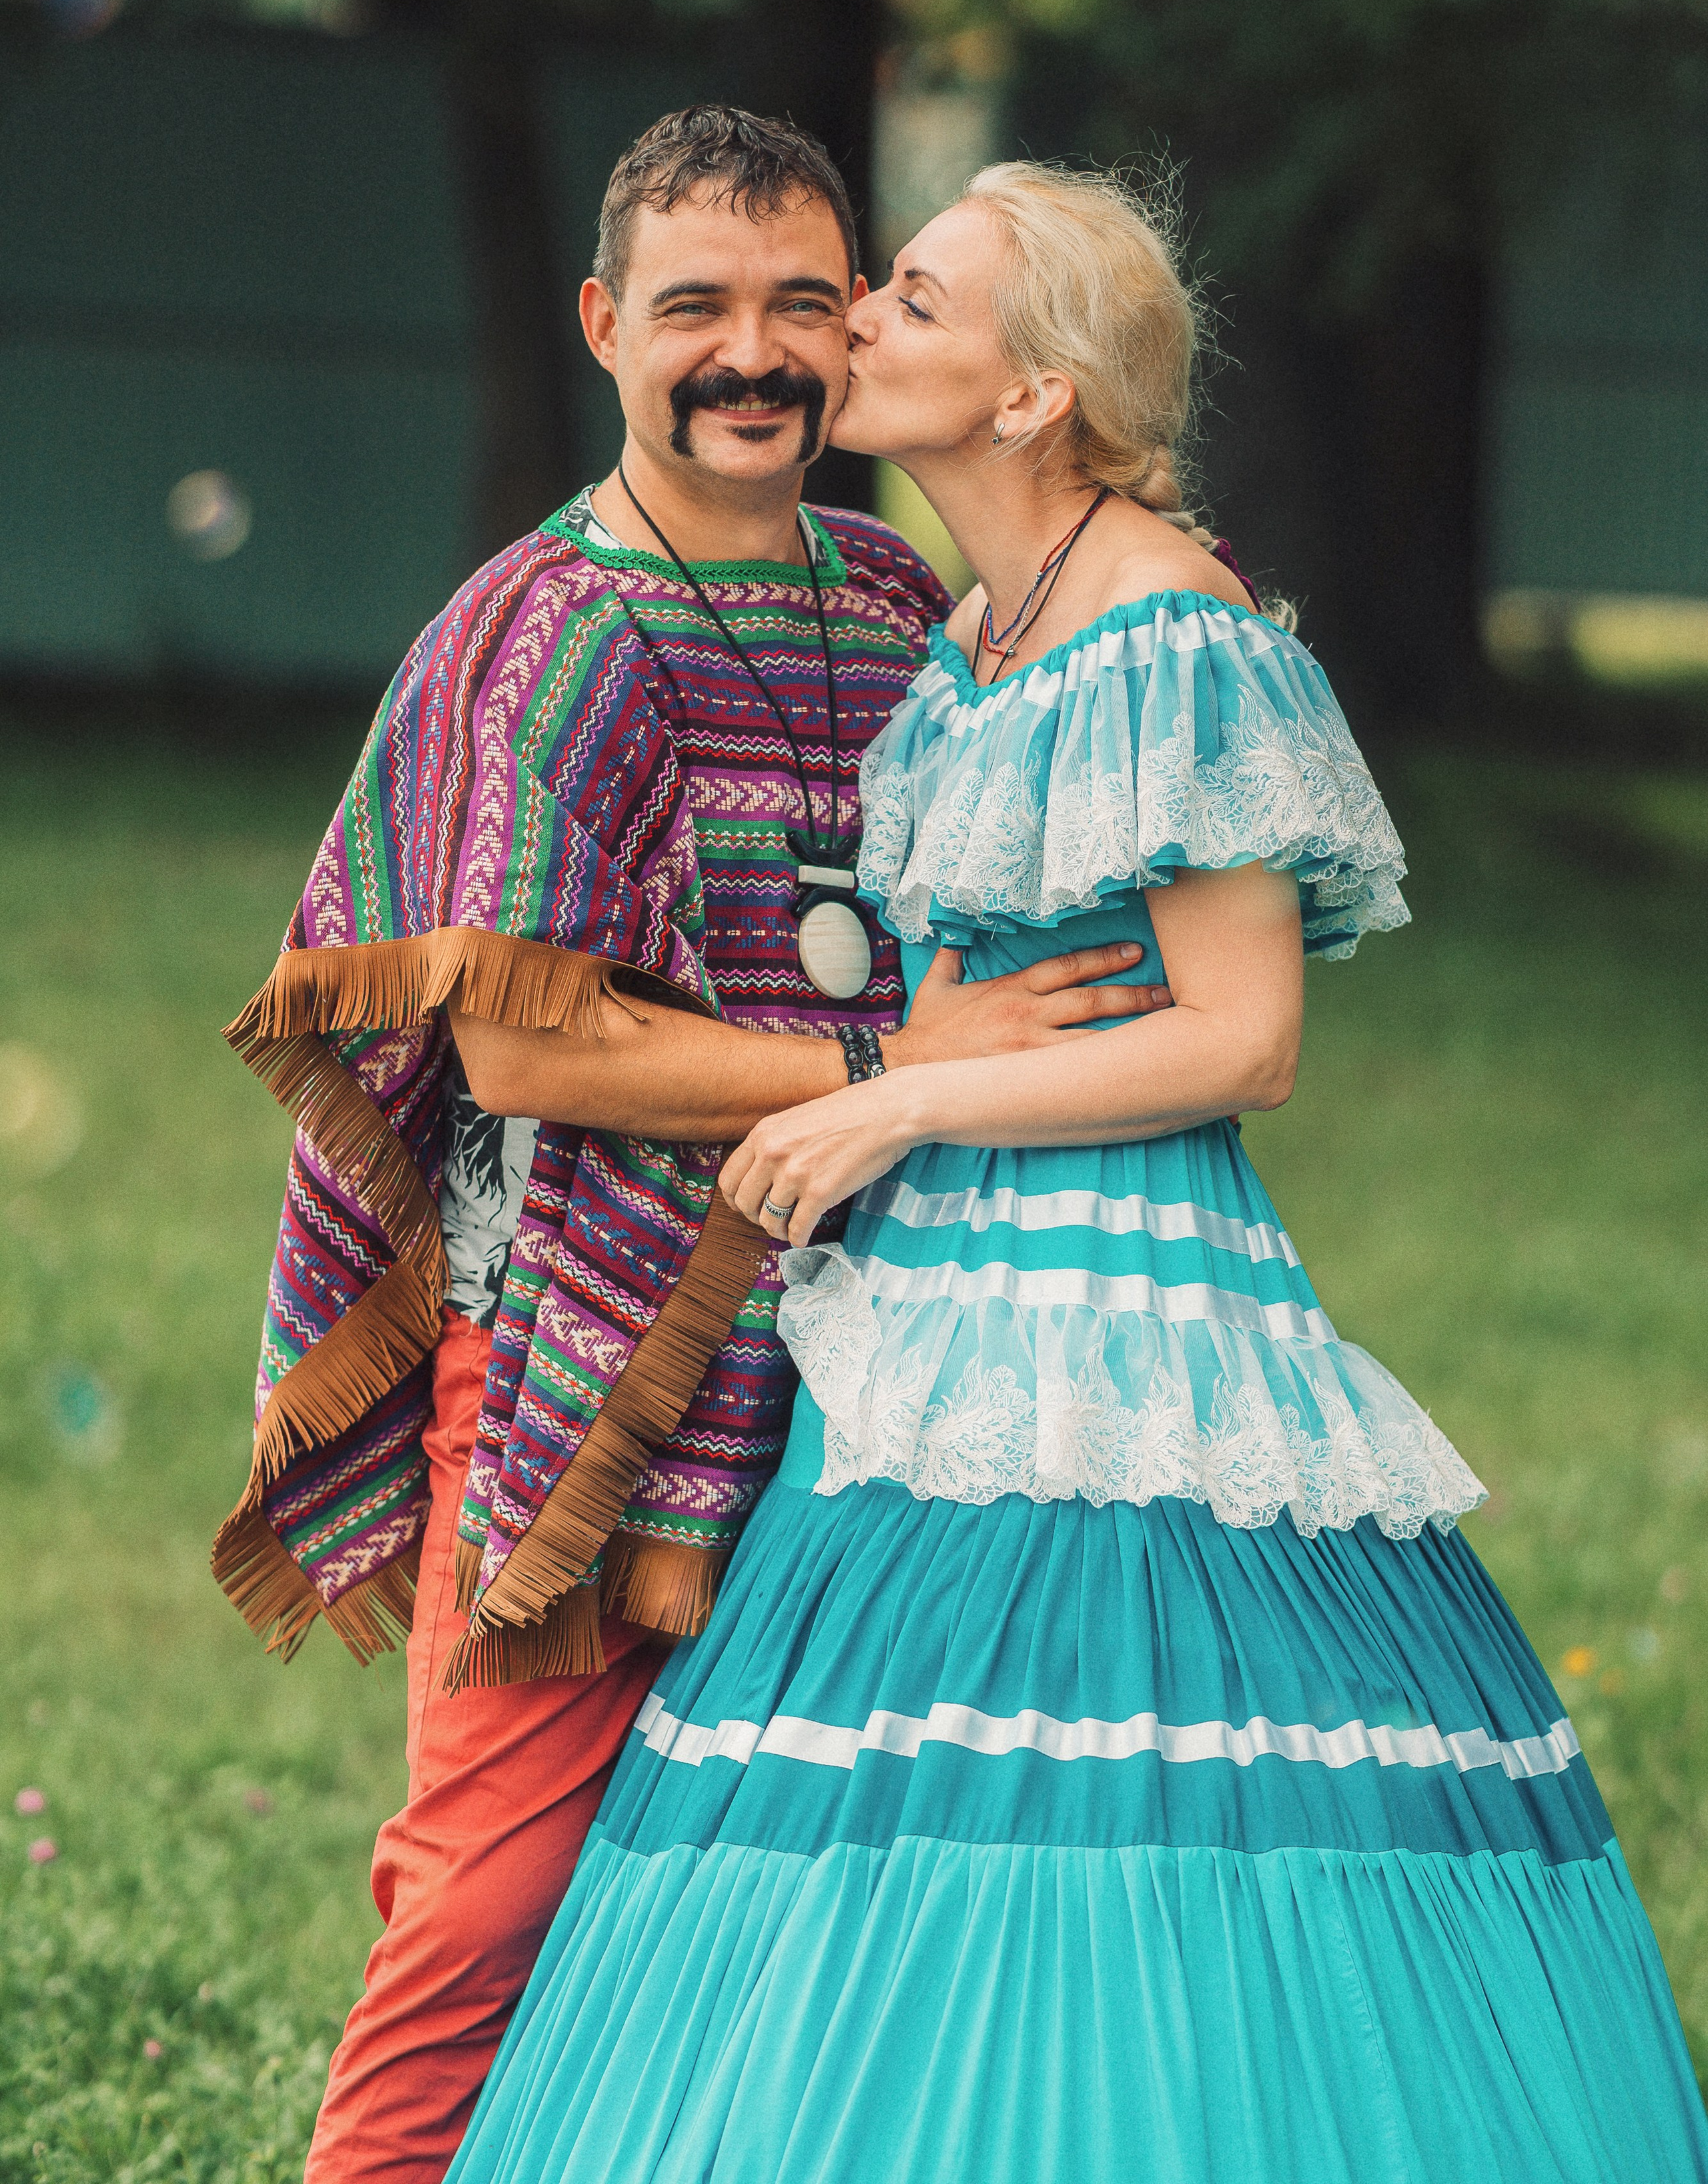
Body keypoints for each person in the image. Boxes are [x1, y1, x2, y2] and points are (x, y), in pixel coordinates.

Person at [446, 162, 1708, 2184]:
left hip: (1139, 1318)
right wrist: (891, 1082)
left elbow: (1244, 1036)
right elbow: (952, 994)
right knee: (909, 1779)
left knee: (1157, 1754)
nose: (855, 324)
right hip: (935, 1331)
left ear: (1034, 396)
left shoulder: (1176, 637)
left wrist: (897, 1106)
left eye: (914, 300)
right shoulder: (969, 637)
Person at [215, 111, 1167, 2184]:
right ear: (601, 326)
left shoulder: (897, 594)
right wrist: (884, 1061)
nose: (753, 356)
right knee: (485, 1900)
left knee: (794, 1882)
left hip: (868, 1359)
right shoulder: (547, 634)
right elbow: (519, 1054)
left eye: (800, 305)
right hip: (579, 1366)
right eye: (694, 311)